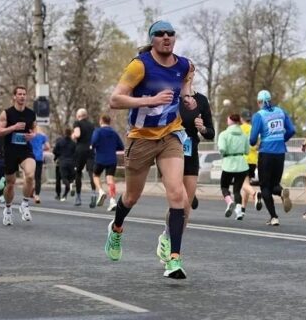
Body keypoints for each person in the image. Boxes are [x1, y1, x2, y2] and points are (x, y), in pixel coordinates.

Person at [104, 19, 196, 279]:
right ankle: (116, 228)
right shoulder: (140, 66)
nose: (166, 37)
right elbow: (115, 99)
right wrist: (150, 100)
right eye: (160, 34)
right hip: (141, 137)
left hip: (170, 135)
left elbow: (185, 85)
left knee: (179, 196)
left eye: (170, 33)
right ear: (152, 39)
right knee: (132, 197)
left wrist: (188, 98)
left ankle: (174, 259)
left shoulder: (184, 65)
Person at [155, 89, 215, 260]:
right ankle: (173, 253)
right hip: (168, 153)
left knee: (186, 207)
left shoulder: (201, 100)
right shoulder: (169, 95)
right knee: (180, 201)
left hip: (190, 154)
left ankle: (167, 238)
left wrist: (202, 128)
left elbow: (211, 133)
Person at [249, 90, 296, 226]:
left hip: (266, 153)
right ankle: (281, 192)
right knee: (274, 184)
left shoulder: (259, 115)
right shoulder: (281, 112)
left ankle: (274, 217)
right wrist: (282, 139)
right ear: (270, 100)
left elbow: (252, 139)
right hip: (280, 153)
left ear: (259, 102)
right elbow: (292, 130)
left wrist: (255, 142)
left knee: (265, 186)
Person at [0, 85, 37, 226]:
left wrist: (33, 135)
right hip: (10, 151)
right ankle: (7, 209)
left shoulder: (30, 113)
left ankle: (25, 203)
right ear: (14, 96)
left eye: (24, 94)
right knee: (10, 184)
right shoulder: (7, 113)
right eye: (19, 94)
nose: (22, 96)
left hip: (25, 150)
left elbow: (34, 128)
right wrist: (13, 127)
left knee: (30, 175)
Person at [218, 113, 250, 219]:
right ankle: (239, 211)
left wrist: (224, 154)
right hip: (242, 165)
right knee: (237, 190)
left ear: (231, 121)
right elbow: (247, 151)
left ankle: (229, 201)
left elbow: (222, 148)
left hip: (228, 164)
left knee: (224, 186)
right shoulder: (244, 135)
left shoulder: (224, 134)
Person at [90, 114, 124, 211]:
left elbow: (94, 142)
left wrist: (92, 146)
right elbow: (121, 146)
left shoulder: (98, 131)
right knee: (110, 180)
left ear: (101, 121)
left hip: (100, 158)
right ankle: (112, 200)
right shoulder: (114, 133)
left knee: (95, 175)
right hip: (112, 159)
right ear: (110, 122)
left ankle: (101, 191)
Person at [72, 108, 96, 207]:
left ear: (78, 116)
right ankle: (93, 194)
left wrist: (73, 135)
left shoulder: (77, 123)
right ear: (86, 116)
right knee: (91, 173)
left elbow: (77, 134)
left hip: (80, 150)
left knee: (78, 172)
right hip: (90, 150)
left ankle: (78, 197)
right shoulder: (92, 125)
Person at [239, 109, 260, 215]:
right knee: (246, 184)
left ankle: (255, 194)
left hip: (242, 159)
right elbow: (258, 144)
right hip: (252, 160)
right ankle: (243, 209)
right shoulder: (253, 129)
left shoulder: (239, 129)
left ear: (241, 119)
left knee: (243, 184)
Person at [53, 127, 76, 202]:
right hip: (72, 163)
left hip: (61, 162)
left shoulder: (60, 142)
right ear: (71, 133)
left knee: (60, 179)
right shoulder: (73, 143)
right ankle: (65, 194)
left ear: (64, 133)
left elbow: (54, 151)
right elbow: (76, 153)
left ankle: (58, 194)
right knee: (69, 179)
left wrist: (57, 156)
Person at [29, 127, 50, 204]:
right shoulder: (43, 136)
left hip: (30, 158)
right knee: (38, 178)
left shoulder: (29, 135)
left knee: (29, 176)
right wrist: (40, 149)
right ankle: (37, 195)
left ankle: (31, 189)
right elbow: (48, 147)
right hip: (39, 158)